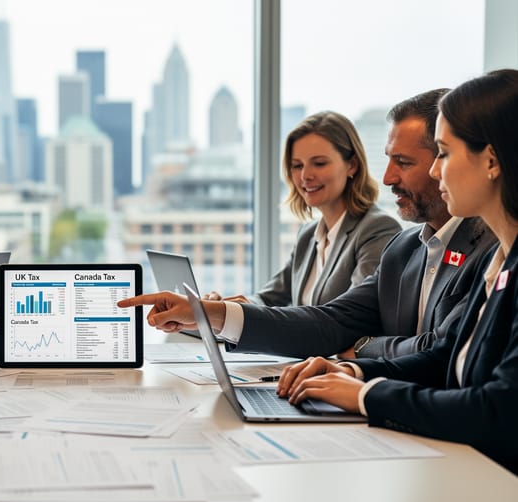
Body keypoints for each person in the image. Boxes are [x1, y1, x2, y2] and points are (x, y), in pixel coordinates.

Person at [118, 89, 496, 359]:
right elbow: (328, 321)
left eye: (406, 162)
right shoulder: (405, 249)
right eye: (297, 166)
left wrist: (361, 355)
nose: (389, 178)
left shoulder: (489, 248)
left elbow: (442, 348)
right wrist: (206, 313)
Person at [278, 69, 518, 475]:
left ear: (491, 160)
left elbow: (495, 409)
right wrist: (351, 371)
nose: (436, 171)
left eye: (443, 153)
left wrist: (367, 396)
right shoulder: (503, 261)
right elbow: (445, 358)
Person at [208, 111, 400, 306]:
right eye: (297, 165)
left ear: (352, 165)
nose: (305, 175)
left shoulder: (377, 229)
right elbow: (268, 297)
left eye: (319, 163)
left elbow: (351, 313)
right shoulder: (308, 235)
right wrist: (225, 308)